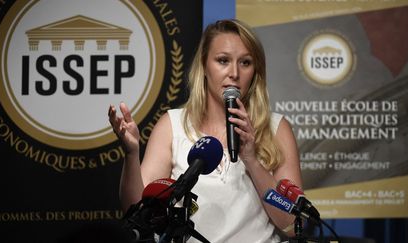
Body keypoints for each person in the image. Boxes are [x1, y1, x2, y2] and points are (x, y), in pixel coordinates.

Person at [108, 19, 303, 242]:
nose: (234, 73)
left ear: (255, 70)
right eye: (223, 60)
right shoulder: (172, 125)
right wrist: (131, 154)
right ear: (204, 65)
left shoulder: (276, 128)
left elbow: (291, 223)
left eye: (245, 62)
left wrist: (251, 159)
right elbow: (137, 212)